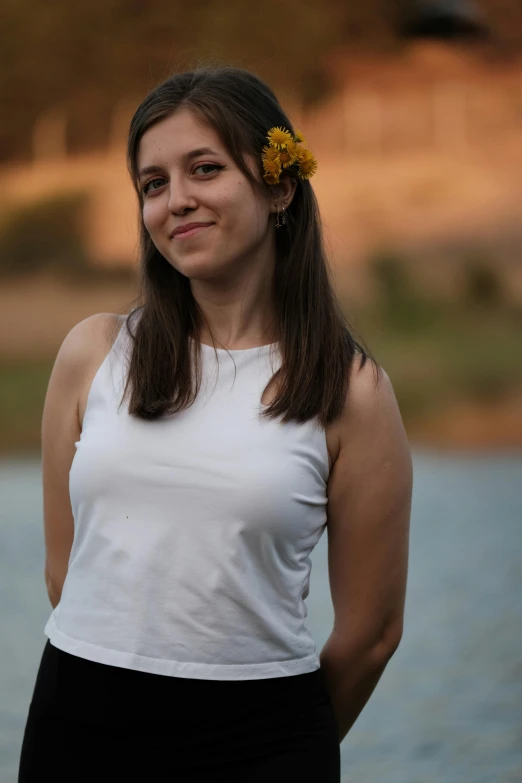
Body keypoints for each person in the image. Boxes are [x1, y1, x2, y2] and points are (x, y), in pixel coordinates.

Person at [18, 66, 412, 782]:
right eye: (153, 183)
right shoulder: (94, 353)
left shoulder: (352, 392)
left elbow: (371, 635)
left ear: (279, 186)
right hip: (78, 727)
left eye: (204, 168)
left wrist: (274, 739)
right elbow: (65, 572)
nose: (177, 200)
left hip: (260, 745)